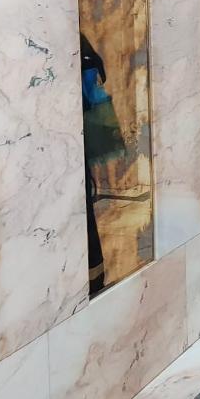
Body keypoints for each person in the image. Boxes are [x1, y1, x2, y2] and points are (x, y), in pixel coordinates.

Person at [79, 34, 109, 294]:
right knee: (84, 209)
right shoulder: (77, 37)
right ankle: (94, 278)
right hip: (81, 134)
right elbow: (101, 71)